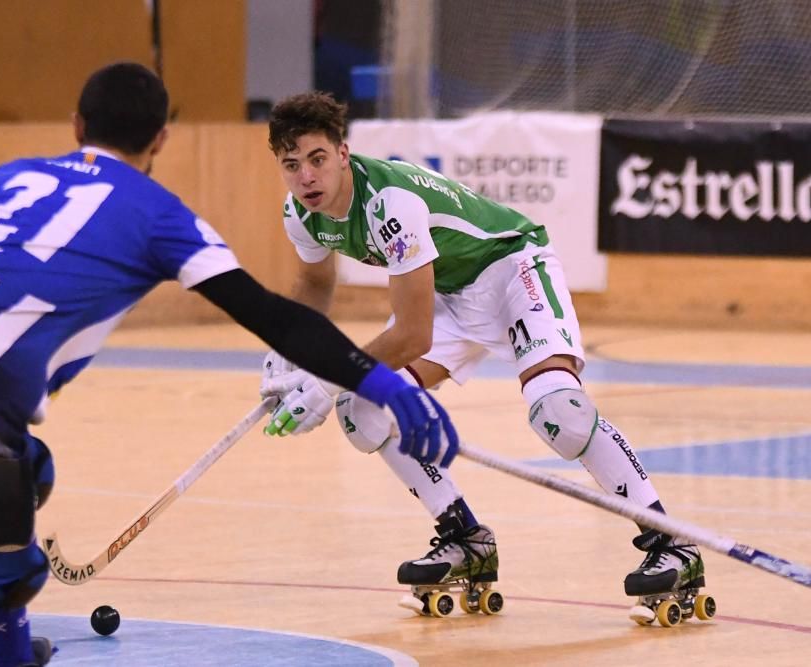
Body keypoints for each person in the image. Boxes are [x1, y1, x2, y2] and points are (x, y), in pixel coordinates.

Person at [0, 63, 459, 666]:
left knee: (27, 470)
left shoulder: (16, 176)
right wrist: (377, 381)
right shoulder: (163, 218)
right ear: (162, 139)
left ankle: (7, 655)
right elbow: (274, 315)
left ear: (76, 126)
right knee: (6, 568)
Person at [260, 91, 707, 617]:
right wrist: (285, 349)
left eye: (316, 159)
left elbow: (411, 336)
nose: (307, 177)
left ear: (342, 153)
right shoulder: (302, 214)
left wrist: (326, 378)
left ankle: (671, 544)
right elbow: (314, 283)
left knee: (558, 414)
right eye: (292, 165)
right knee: (363, 411)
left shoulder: (388, 203)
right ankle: (465, 538)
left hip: (511, 269)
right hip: (451, 295)